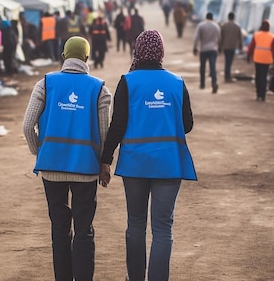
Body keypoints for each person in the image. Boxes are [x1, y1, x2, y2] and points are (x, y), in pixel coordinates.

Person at [100, 29, 196, 281]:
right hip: (169, 163)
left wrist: (105, 160)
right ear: (161, 52)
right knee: (163, 227)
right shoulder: (177, 83)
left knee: (136, 224)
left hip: (135, 164)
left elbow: (117, 125)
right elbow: (186, 124)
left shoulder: (128, 81)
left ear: (138, 51)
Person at [22, 36, 112, 281]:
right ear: (87, 58)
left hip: (52, 169)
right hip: (86, 170)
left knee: (60, 228)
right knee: (84, 229)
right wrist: (104, 165)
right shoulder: (100, 89)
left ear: (62, 57)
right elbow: (104, 135)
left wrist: (39, 151)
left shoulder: (45, 84)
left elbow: (28, 126)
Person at [246, 20, 274, 101]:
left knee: (258, 76)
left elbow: (251, 46)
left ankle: (258, 94)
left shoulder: (256, 35)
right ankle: (263, 95)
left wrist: (248, 56)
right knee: (264, 77)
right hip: (266, 59)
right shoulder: (272, 37)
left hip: (257, 58)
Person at [193, 12, 221, 93]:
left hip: (203, 49)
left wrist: (195, 47)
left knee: (202, 67)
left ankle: (202, 84)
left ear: (206, 17)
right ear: (212, 18)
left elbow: (196, 37)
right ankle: (214, 83)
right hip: (213, 49)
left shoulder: (201, 25)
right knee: (212, 67)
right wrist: (219, 47)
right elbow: (219, 38)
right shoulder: (216, 26)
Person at [219, 12, 243, 83]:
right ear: (234, 17)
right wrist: (240, 45)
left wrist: (220, 46)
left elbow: (221, 37)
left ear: (228, 17)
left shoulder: (224, 25)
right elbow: (240, 37)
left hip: (226, 46)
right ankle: (228, 76)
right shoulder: (237, 26)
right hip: (233, 46)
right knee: (230, 62)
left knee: (227, 61)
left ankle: (227, 76)